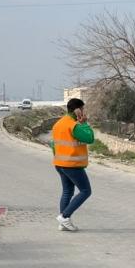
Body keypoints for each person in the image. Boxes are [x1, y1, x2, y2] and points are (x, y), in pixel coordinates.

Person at [51, 98, 94, 231]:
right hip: (72, 164)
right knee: (86, 191)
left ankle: (63, 223)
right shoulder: (73, 125)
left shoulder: (58, 124)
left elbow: (54, 145)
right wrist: (85, 123)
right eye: (82, 109)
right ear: (77, 110)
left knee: (67, 192)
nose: (83, 111)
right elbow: (90, 138)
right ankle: (64, 216)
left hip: (60, 163)